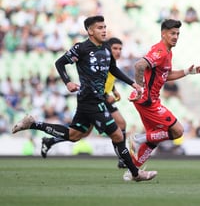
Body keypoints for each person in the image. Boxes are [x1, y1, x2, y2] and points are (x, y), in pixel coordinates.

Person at [11, 15, 156, 182]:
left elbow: (113, 70)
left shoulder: (106, 49)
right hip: (91, 100)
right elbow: (59, 63)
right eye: (100, 28)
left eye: (104, 27)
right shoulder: (81, 48)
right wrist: (67, 82)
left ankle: (33, 124)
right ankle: (136, 174)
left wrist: (133, 84)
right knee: (117, 135)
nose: (104, 30)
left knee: (74, 136)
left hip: (91, 101)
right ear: (90, 31)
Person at [40, 37, 130, 169]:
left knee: (82, 134)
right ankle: (123, 159)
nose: (118, 51)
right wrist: (107, 94)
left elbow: (108, 79)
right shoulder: (101, 59)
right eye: (115, 48)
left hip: (103, 97)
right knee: (119, 124)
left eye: (120, 49)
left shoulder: (111, 63)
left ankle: (50, 141)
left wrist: (114, 90)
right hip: (96, 98)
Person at [128, 19, 200, 170]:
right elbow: (139, 65)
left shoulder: (168, 52)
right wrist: (139, 89)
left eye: (177, 33)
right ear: (163, 34)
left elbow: (166, 75)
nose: (176, 36)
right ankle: (137, 139)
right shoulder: (161, 51)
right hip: (147, 100)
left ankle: (133, 172)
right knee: (178, 131)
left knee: (154, 138)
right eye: (172, 33)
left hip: (150, 99)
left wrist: (188, 72)